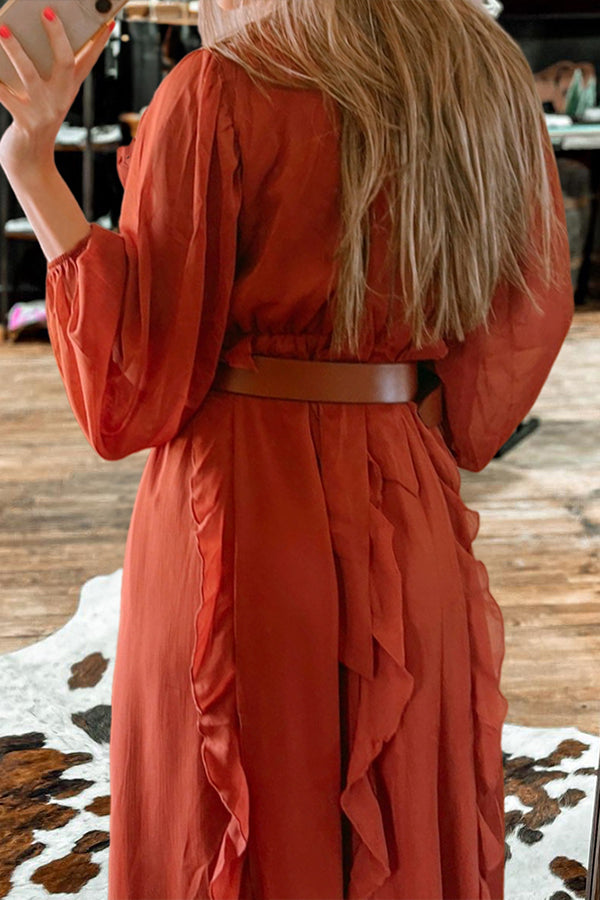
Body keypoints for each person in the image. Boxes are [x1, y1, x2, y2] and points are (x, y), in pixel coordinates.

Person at [0, 0, 574, 897]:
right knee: (401, 810)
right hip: (404, 496)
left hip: (236, 511)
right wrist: (398, 413)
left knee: (227, 824)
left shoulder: (220, 88)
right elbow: (522, 326)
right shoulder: (487, 78)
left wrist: (30, 165)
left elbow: (134, 387)